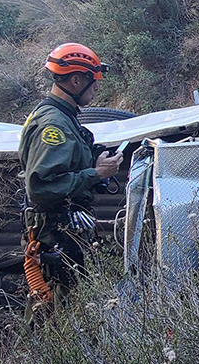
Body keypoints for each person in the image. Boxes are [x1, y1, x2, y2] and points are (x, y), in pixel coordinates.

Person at [18, 42, 123, 307]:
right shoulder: (53, 124)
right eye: (94, 81)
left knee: (66, 302)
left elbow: (65, 166)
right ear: (76, 81)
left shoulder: (59, 116)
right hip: (57, 232)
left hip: (63, 228)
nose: (97, 88)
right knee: (62, 307)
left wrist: (93, 163)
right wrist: (96, 173)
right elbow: (41, 187)